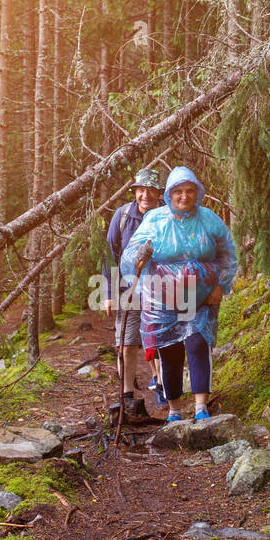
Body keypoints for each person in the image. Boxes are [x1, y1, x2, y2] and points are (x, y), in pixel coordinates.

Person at [121, 166, 237, 422]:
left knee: (197, 345)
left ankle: (200, 406)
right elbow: (130, 254)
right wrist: (140, 256)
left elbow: (227, 254)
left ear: (198, 193)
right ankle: (174, 409)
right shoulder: (155, 220)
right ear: (169, 194)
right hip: (163, 302)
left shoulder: (209, 220)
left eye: (190, 191)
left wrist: (220, 286)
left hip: (201, 299)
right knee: (170, 351)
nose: (184, 197)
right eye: (178, 192)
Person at [103, 168, 165, 418]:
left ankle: (162, 386)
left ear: (159, 193)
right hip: (128, 288)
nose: (145, 195)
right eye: (141, 189)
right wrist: (108, 293)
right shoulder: (122, 216)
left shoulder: (167, 216)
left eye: (151, 190)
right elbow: (110, 255)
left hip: (162, 289)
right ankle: (127, 393)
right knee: (127, 341)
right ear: (135, 192)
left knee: (161, 338)